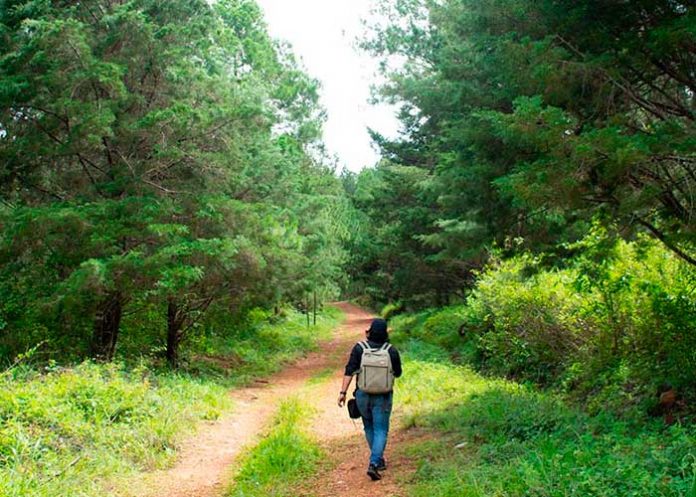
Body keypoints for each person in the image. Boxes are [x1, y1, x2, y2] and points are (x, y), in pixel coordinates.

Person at [338, 318, 402, 481]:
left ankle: (378, 460)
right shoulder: (391, 350)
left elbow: (349, 370)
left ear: (370, 331)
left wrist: (343, 392)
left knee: (369, 427)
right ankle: (374, 462)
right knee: (381, 429)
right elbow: (398, 372)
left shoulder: (360, 348)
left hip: (362, 394)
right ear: (385, 333)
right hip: (383, 396)